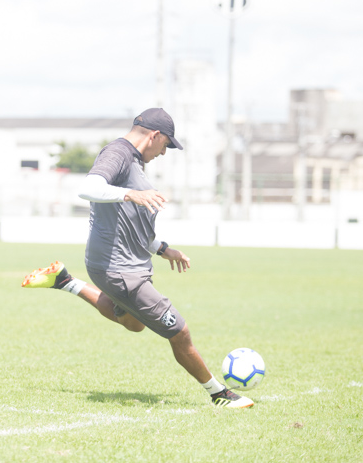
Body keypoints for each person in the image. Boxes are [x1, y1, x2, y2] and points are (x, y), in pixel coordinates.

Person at [21, 108, 253, 409]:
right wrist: (130, 194)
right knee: (178, 331)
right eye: (166, 145)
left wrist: (162, 248)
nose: (164, 153)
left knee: (133, 323)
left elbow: (129, 222)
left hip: (124, 264)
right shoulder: (117, 152)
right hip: (119, 269)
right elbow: (88, 188)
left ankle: (65, 280)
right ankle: (218, 393)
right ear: (154, 135)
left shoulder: (132, 162)